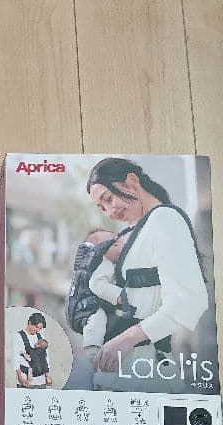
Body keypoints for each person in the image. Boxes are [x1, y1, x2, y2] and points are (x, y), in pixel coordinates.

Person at [85, 157, 208, 389]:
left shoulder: (165, 219)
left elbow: (190, 300)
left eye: (108, 199)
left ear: (132, 181)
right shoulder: (138, 230)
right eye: (102, 207)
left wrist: (127, 338)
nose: (109, 212)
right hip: (125, 371)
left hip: (146, 371)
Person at [14, 312, 53, 388]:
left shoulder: (41, 337)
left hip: (41, 381)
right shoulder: (18, 336)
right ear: (29, 323)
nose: (38, 330)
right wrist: (20, 377)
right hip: (25, 380)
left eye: (40, 328)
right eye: (36, 327)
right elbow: (16, 359)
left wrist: (48, 376)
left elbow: (45, 358)